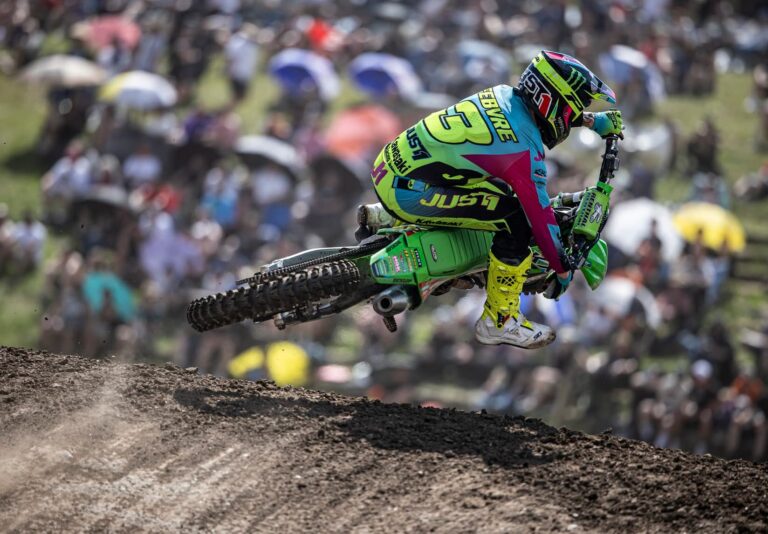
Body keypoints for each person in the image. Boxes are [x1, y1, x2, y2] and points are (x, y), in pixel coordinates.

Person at [361, 51, 623, 348]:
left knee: (498, 195)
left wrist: (591, 121)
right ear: (551, 101)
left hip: (390, 168)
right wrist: (561, 267)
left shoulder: (502, 95)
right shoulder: (523, 149)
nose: (570, 116)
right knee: (517, 221)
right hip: (410, 192)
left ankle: (385, 217)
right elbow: (539, 217)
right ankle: (499, 321)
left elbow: (546, 114)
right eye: (573, 108)